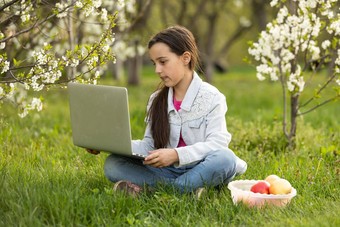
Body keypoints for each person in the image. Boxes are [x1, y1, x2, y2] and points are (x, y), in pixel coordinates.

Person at [87, 25, 247, 197]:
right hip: (165, 171)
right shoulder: (156, 99)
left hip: (202, 167)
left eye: (163, 62)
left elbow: (217, 144)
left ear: (185, 58)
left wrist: (176, 154)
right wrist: (109, 144)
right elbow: (149, 146)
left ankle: (155, 191)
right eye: (154, 63)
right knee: (113, 164)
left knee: (225, 159)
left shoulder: (212, 97)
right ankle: (187, 190)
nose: (157, 70)